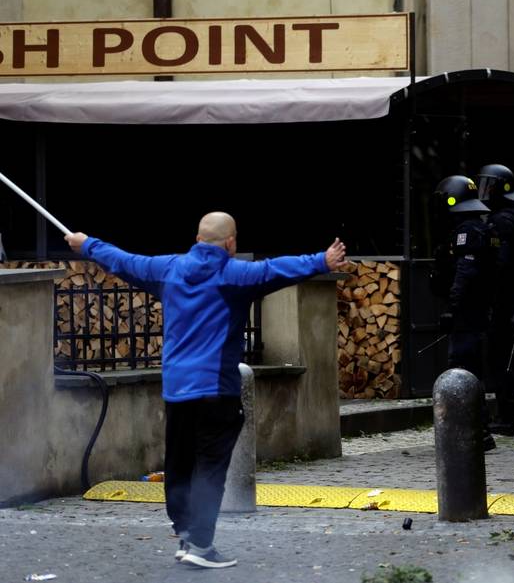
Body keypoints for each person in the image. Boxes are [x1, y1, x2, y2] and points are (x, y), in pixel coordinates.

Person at [65, 213, 347, 569]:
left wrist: (87, 244)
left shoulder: (168, 269)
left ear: (198, 239)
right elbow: (275, 270)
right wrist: (322, 260)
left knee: (179, 463)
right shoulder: (234, 275)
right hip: (216, 389)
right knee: (210, 467)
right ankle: (200, 545)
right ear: (230, 242)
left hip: (177, 389)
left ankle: (186, 533)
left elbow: (123, 261)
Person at [431, 175, 497, 451]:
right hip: (477, 312)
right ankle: (479, 430)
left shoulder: (467, 232)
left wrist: (453, 307)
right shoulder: (480, 229)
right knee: (470, 371)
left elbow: (464, 273)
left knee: (462, 371)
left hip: (469, 314)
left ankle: (474, 431)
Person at [476, 164, 514, 436]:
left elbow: (501, 263)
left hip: (505, 299)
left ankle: (507, 416)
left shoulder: (502, 220)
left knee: (501, 358)